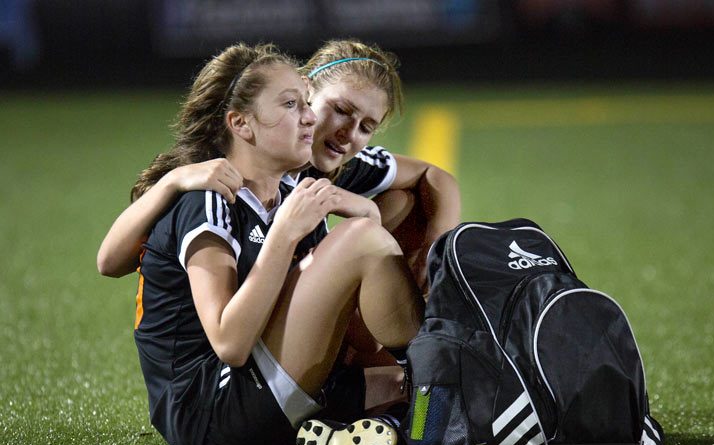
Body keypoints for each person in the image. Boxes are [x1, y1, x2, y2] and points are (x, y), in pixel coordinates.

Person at [96, 38, 459, 423]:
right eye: (299, 105)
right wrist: (172, 183)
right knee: (362, 241)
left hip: (260, 362)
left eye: (367, 126)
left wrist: (408, 239)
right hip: (213, 400)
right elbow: (111, 263)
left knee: (397, 211)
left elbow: (434, 178)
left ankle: (427, 380)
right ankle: (436, 369)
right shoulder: (210, 192)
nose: (343, 130)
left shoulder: (300, 177)